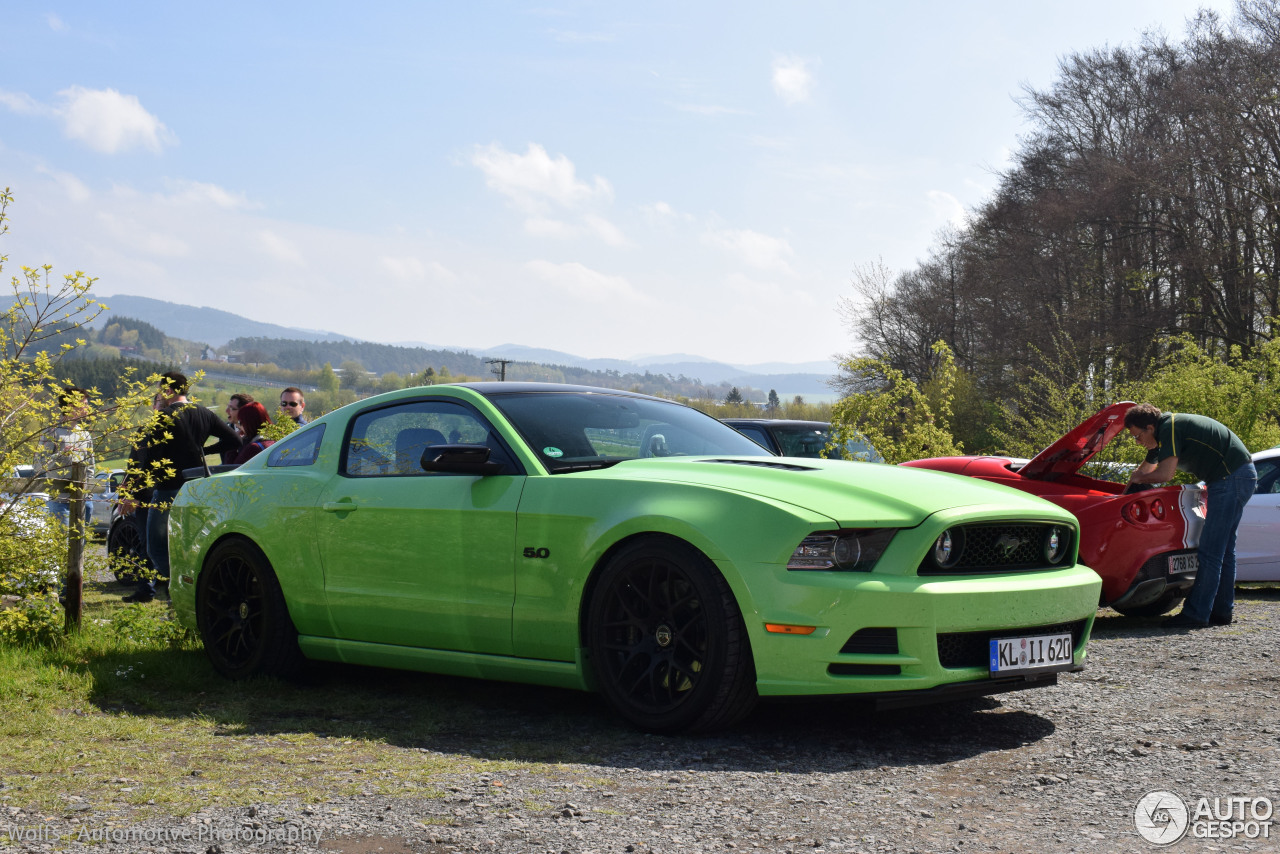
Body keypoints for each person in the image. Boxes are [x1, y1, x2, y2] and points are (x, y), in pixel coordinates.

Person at [1124, 403, 1257, 628]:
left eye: (1137, 436)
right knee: (1224, 550)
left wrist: (1138, 481)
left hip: (1230, 478)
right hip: (1236, 476)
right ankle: (1221, 613)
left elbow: (1165, 474)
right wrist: (1126, 489)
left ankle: (1196, 615)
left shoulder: (1170, 427)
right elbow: (1144, 470)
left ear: (1149, 427)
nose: (1138, 442)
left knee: (1210, 551)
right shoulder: (1164, 433)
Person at [118, 372, 241, 603]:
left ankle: (180, 592)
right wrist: (203, 451)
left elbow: (147, 461)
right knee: (190, 545)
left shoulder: (162, 417)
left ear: (167, 390)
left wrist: (131, 494)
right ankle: (194, 592)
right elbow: (235, 440)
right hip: (196, 489)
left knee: (156, 548)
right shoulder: (203, 413)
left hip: (167, 490)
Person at [33, 386, 95, 531]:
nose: (88, 408)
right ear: (70, 405)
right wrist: (60, 455)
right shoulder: (51, 432)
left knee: (80, 550)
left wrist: (88, 494)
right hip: (59, 502)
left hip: (83, 501)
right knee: (62, 548)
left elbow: (90, 468)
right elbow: (37, 465)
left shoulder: (85, 435)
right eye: (85, 404)